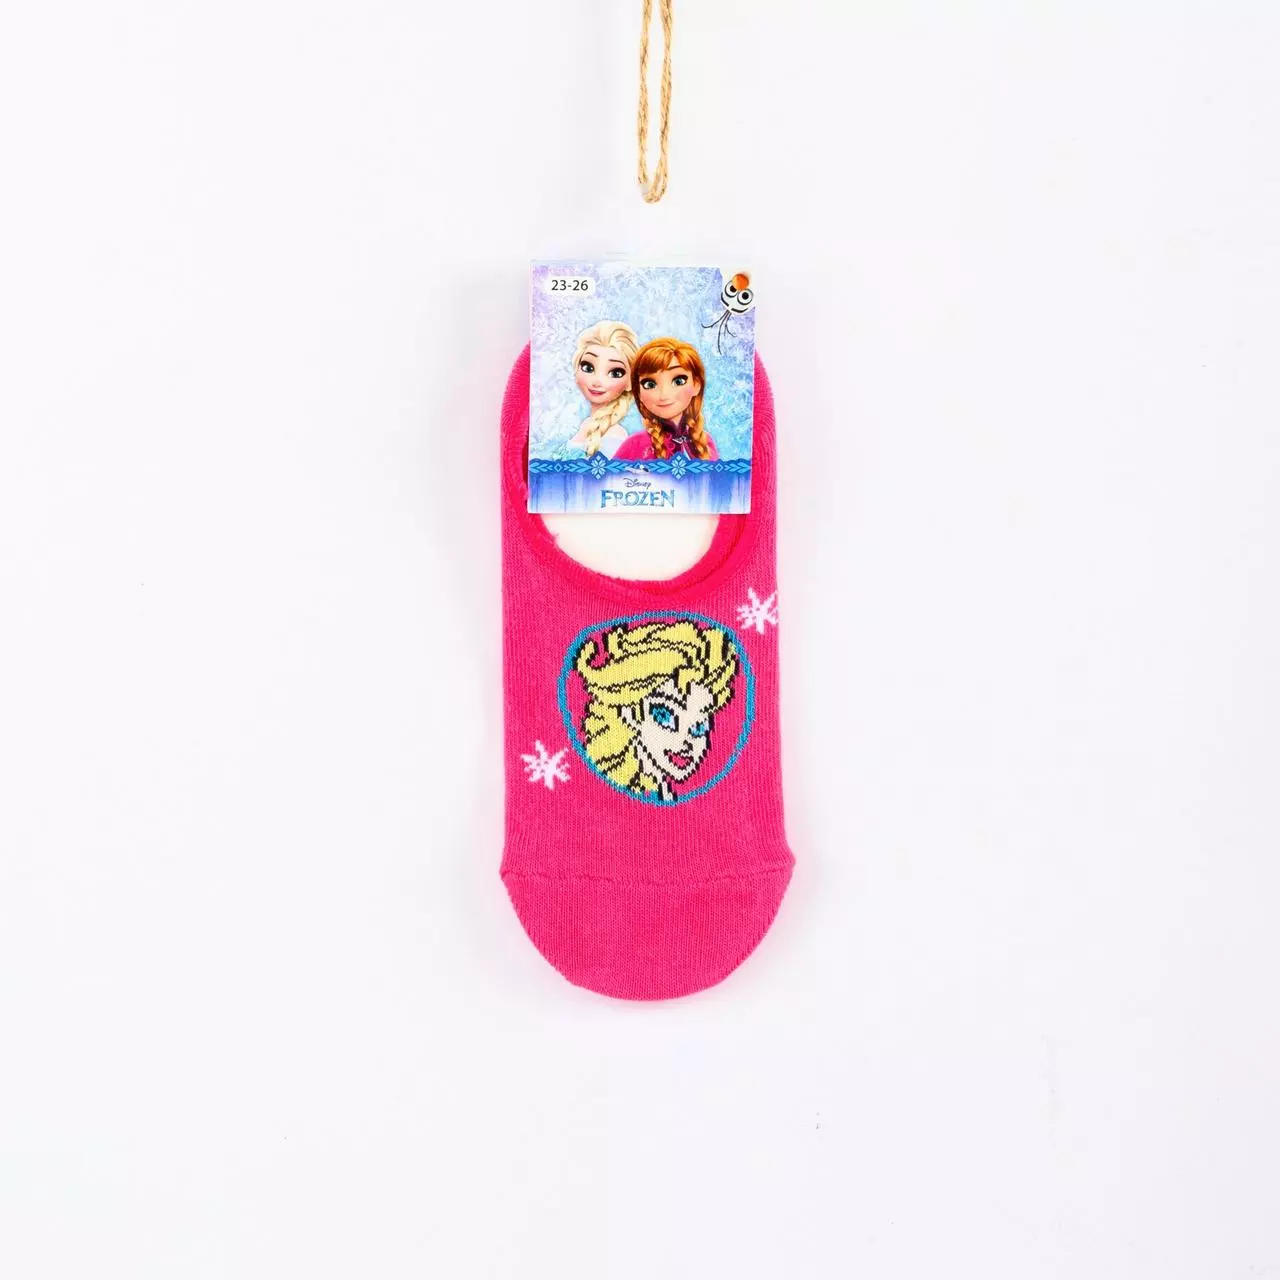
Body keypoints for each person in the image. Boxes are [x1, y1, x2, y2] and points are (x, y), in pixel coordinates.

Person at [612, 338, 718, 462]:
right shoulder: (635, 445)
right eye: (650, 384)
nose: (664, 395)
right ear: (638, 392)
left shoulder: (705, 443)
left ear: (696, 385)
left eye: (678, 381)